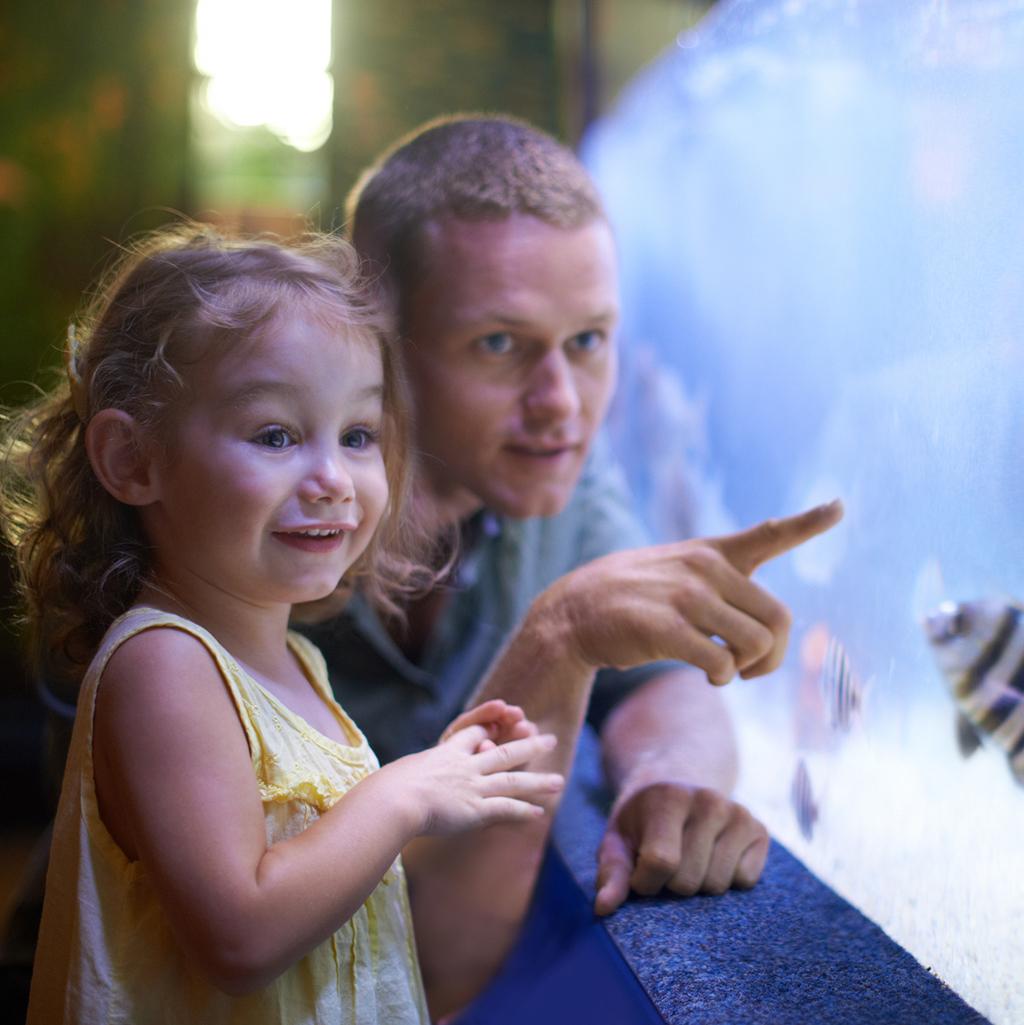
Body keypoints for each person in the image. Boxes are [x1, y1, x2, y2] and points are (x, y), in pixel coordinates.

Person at [301, 113, 843, 1017]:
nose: (561, 404)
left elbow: (661, 683)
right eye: (501, 344)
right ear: (376, 343)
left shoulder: (557, 477)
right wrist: (559, 633)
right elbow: (401, 975)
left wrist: (670, 782)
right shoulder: (255, 525)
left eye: (589, 341)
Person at [0, 224, 565, 1024]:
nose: (333, 477)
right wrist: (400, 797)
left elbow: (319, 881)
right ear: (133, 461)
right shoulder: (164, 667)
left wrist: (442, 778)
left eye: (359, 434)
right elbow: (241, 934)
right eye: (275, 434)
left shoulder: (295, 662)